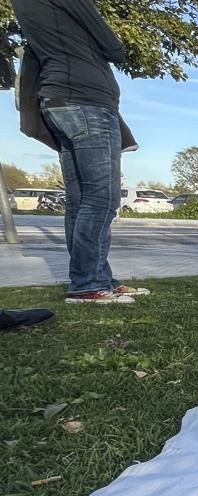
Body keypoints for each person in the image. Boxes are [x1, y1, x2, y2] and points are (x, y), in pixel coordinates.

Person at [12, 0, 147, 304]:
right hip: (86, 101)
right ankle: (88, 283)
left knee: (81, 201)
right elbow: (114, 47)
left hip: (58, 101)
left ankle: (99, 278)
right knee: (102, 198)